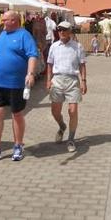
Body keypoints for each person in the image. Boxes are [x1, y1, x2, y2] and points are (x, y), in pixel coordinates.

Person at [0, 10, 38, 162]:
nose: (2, 22)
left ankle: (18, 145)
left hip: (15, 83)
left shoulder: (24, 35)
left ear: (14, 20)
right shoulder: (2, 35)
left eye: (5, 20)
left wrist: (30, 74)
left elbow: (32, 55)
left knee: (17, 114)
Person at [46, 20, 87, 153]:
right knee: (55, 111)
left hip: (72, 80)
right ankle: (62, 126)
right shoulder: (54, 46)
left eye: (64, 30)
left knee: (73, 111)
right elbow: (50, 64)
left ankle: (71, 138)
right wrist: (48, 80)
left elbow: (82, 64)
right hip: (57, 80)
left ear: (70, 31)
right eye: (59, 30)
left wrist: (84, 81)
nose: (61, 32)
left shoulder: (77, 46)